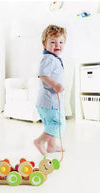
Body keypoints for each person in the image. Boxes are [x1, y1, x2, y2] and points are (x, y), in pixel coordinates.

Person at [33, 24, 67, 156]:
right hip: (49, 102)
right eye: (53, 42)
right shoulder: (49, 58)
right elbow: (42, 75)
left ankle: (52, 146)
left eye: (61, 42)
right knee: (56, 123)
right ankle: (40, 141)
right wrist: (55, 85)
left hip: (48, 101)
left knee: (51, 124)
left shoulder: (54, 58)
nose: (57, 45)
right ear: (44, 44)